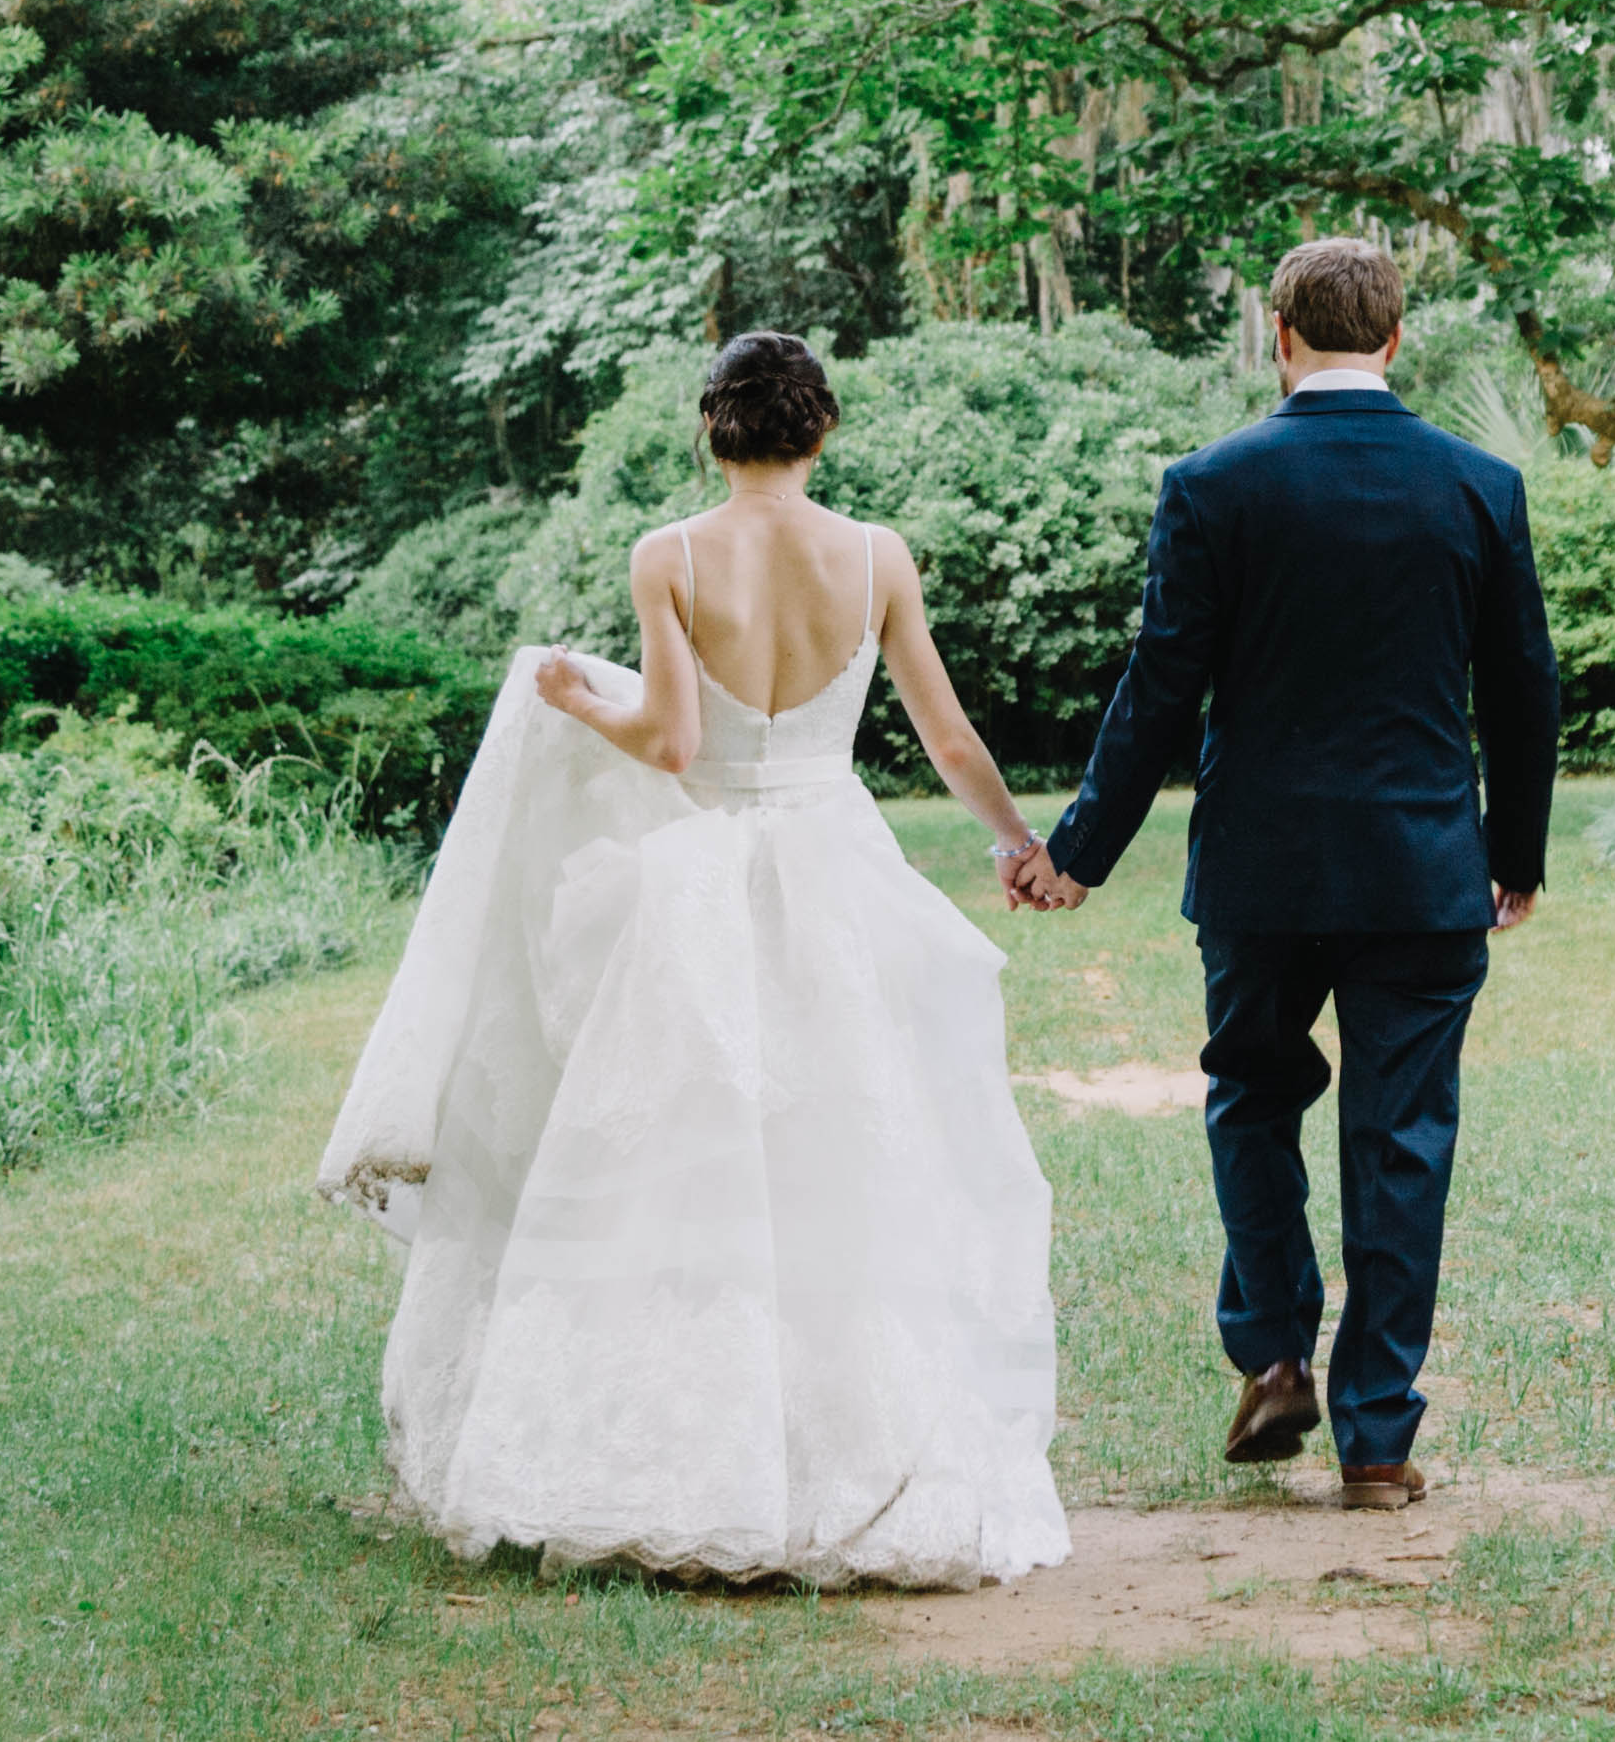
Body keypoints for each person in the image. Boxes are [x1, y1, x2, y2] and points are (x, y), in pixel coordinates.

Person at [318, 330, 1071, 1588]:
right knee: (847, 1156)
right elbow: (942, 730)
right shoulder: (876, 556)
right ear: (820, 430)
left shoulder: (665, 554)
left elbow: (667, 743)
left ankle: (670, 1461)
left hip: (698, 888)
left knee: (677, 1161)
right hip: (837, 872)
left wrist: (571, 695)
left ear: (708, 433)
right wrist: (1015, 839)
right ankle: (857, 1450)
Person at [1024, 234, 1558, 1511]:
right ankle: (1376, 1440)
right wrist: (1515, 852)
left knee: (1251, 1101)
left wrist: (1078, 854)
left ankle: (1271, 1353)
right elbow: (1524, 682)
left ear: (1278, 335)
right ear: (1393, 336)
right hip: (1423, 870)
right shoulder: (1477, 484)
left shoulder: (1212, 484)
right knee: (1401, 1140)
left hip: (1261, 872)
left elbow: (1159, 686)